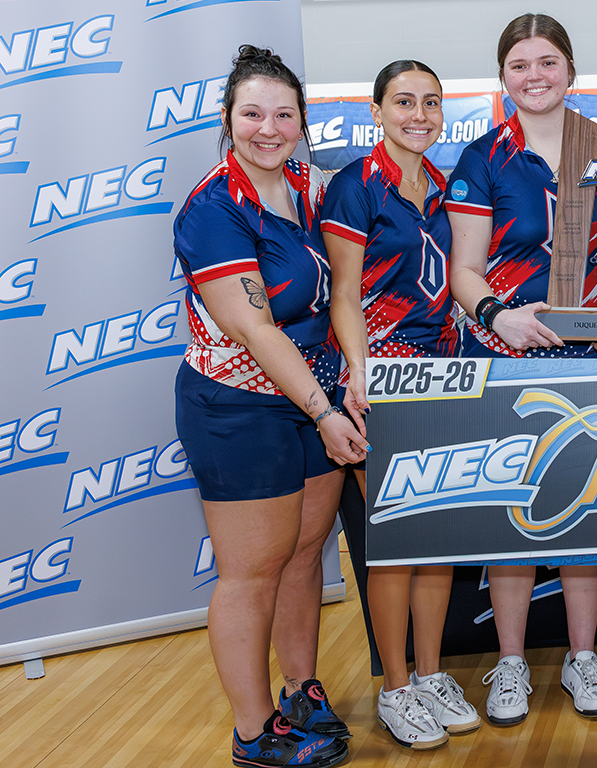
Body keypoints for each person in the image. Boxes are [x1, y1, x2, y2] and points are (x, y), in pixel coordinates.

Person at [172, 44, 366, 768]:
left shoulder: (314, 188)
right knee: (251, 570)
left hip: (313, 395)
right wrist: (325, 411)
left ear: (302, 123)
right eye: (252, 113)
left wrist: (348, 380)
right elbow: (254, 329)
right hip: (239, 406)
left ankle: (300, 691)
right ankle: (254, 733)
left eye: (284, 114)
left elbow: (346, 290)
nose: (268, 128)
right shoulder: (213, 207)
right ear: (228, 120)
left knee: (303, 553)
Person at [445, 13, 597, 726]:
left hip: (595, 360)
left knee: (583, 515)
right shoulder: (481, 158)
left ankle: (583, 657)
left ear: (571, 71)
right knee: (512, 515)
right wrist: (497, 316)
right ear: (503, 79)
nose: (535, 76)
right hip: (502, 358)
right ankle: (512, 663)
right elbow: (463, 268)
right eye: (520, 64)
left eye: (548, 62)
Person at [319, 59, 479, 750]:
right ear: (376, 109)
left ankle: (431, 673)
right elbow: (345, 294)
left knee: (433, 534)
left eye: (431, 102)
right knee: (391, 544)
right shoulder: (357, 184)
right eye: (405, 101)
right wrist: (358, 374)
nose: (420, 114)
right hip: (375, 379)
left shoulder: (442, 186)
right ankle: (394, 688)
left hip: (442, 377)